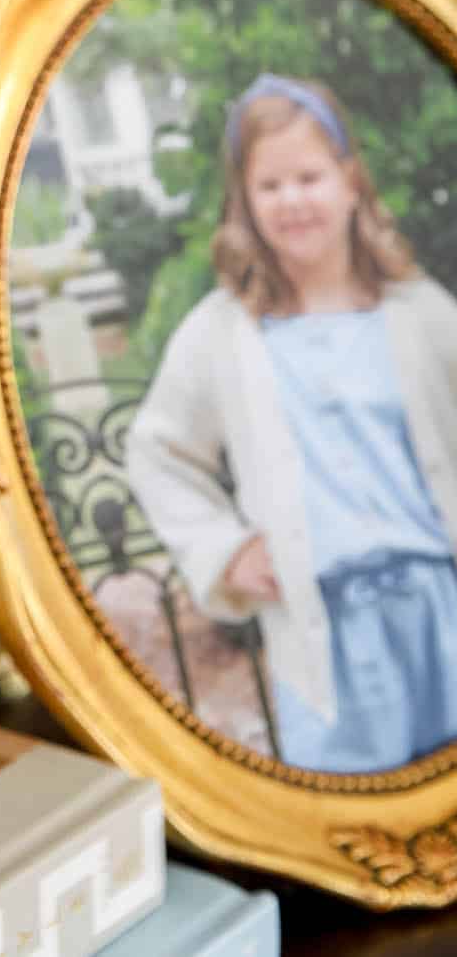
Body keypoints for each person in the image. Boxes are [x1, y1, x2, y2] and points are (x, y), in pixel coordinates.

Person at [125, 73, 457, 773]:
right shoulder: (223, 332)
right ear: (244, 200)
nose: (293, 200)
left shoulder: (418, 312)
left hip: (442, 611)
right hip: (328, 637)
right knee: (357, 830)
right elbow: (158, 453)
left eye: (309, 176)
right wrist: (226, 550)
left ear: (350, 181)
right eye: (269, 185)